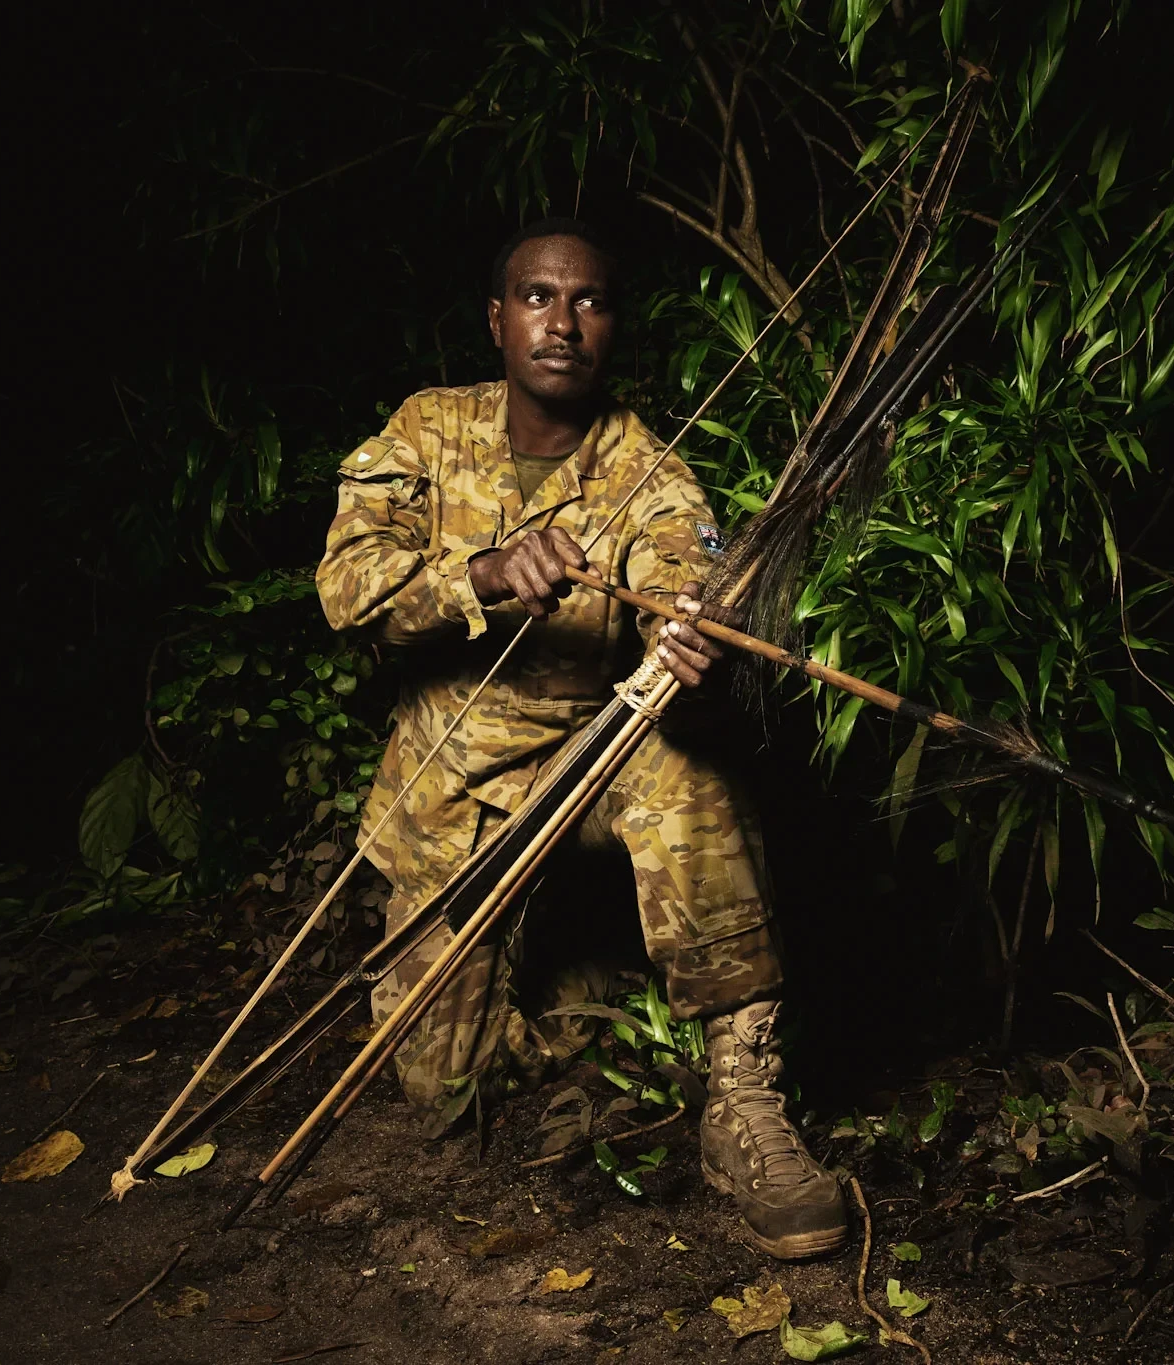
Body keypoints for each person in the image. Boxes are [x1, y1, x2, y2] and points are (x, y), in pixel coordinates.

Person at [314, 218, 846, 1260]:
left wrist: (693, 655)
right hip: (450, 781)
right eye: (538, 298)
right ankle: (599, 987)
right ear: (497, 320)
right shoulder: (426, 428)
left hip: (590, 762)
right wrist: (480, 573)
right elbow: (345, 589)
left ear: (614, 327)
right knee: (439, 1085)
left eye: (590, 301)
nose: (563, 323)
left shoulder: (651, 471)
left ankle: (744, 1100)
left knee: (686, 765)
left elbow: (682, 588)